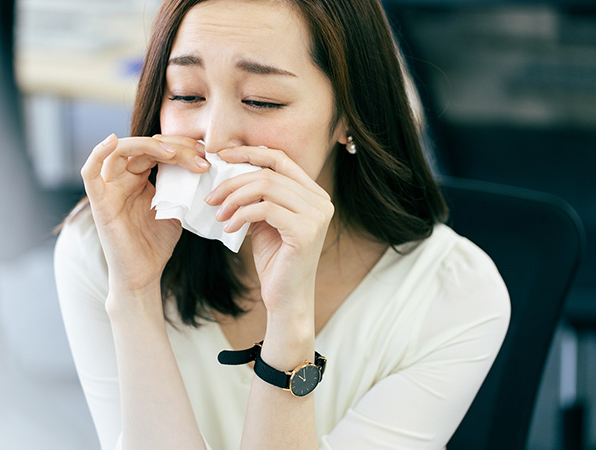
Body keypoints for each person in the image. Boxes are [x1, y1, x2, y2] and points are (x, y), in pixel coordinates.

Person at [54, 0, 510, 448]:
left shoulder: (453, 296)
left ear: (350, 116)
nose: (213, 137)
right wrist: (135, 293)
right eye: (187, 94)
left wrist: (289, 320)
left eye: (261, 100)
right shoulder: (103, 248)